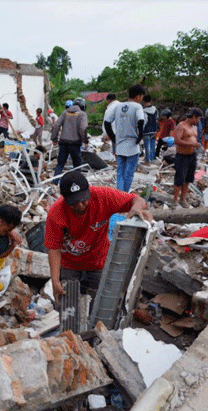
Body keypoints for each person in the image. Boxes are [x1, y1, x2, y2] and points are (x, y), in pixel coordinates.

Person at [45, 171, 153, 299]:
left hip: (98, 261)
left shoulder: (103, 196)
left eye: (83, 200)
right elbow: (54, 248)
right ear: (64, 199)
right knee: (68, 305)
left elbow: (136, 199)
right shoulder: (56, 213)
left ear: (89, 191)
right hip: (69, 264)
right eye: (73, 203)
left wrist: (136, 207)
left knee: (99, 301)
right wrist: (55, 281)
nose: (79, 205)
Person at [105, 84, 146, 192]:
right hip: (133, 144)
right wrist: (140, 136)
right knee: (129, 173)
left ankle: (119, 195)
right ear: (138, 96)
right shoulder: (138, 107)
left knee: (120, 172)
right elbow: (141, 121)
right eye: (141, 97)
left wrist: (113, 138)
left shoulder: (118, 106)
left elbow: (107, 122)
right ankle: (124, 196)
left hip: (120, 144)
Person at [51, 98, 89, 180]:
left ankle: (54, 183)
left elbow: (56, 125)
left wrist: (54, 138)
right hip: (75, 144)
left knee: (60, 164)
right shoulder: (82, 114)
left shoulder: (65, 112)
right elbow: (83, 128)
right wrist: (85, 140)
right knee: (77, 166)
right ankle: (77, 184)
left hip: (63, 142)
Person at [173, 108, 203, 206]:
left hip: (192, 156)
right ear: (193, 117)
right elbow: (177, 141)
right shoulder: (181, 126)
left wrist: (196, 146)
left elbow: (194, 139)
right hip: (182, 156)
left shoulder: (194, 127)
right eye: (198, 118)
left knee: (188, 179)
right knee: (179, 179)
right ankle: (175, 200)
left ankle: (183, 199)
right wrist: (191, 145)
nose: (198, 121)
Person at [142, 95, 159, 163]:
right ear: (150, 101)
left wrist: (141, 130)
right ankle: (153, 159)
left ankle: (148, 160)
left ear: (143, 102)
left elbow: (144, 121)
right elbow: (156, 119)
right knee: (152, 145)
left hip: (146, 131)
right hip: (154, 130)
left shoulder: (144, 111)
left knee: (147, 146)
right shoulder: (155, 110)